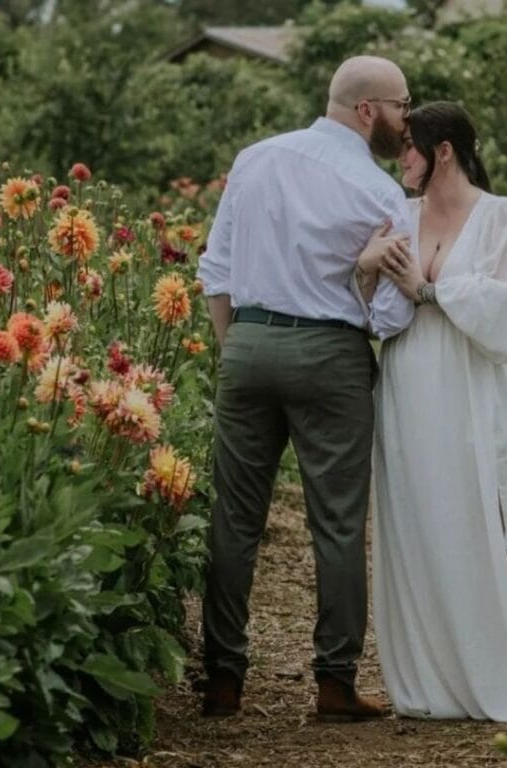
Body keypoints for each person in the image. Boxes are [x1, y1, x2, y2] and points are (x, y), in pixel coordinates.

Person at [195, 55, 416, 722]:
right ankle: (335, 683)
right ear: (368, 110)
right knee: (339, 524)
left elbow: (216, 269)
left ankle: (223, 680)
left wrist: (238, 347)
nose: (407, 120)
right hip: (330, 355)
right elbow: (390, 316)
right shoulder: (380, 194)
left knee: (234, 518)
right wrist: (363, 278)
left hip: (248, 344)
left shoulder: (255, 159)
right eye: (402, 105)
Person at [356, 102, 507, 722]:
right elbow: (371, 308)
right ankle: (437, 673)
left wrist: (427, 290)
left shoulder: (502, 217)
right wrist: (368, 271)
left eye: (409, 146)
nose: (400, 158)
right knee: (424, 511)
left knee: (491, 507)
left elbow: (506, 307)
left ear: (445, 151)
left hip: (480, 382)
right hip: (411, 380)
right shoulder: (398, 218)